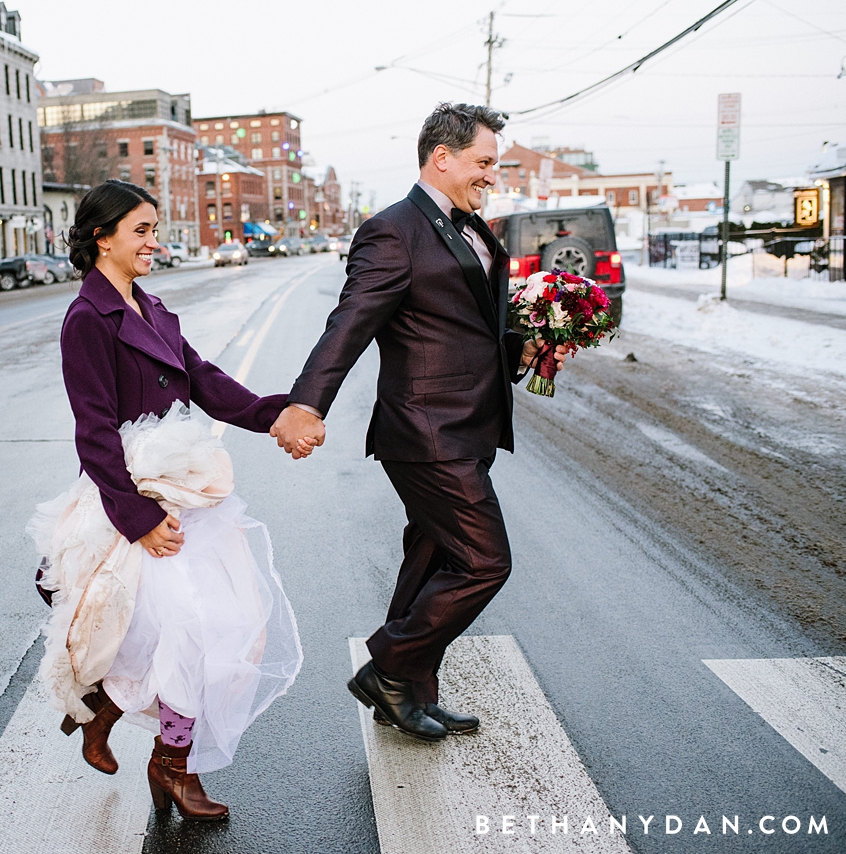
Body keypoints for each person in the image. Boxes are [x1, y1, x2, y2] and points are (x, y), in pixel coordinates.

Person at [270, 103, 571, 741]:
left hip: (469, 427)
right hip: (427, 432)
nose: (493, 174)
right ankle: (387, 665)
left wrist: (533, 345)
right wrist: (306, 402)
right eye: (484, 162)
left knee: (432, 560)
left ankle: (408, 694)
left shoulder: (474, 229)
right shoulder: (393, 231)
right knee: (485, 562)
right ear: (443, 157)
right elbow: (349, 322)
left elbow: (468, 330)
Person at [32, 180, 305, 821]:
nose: (156, 242)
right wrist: (139, 521)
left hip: (187, 496)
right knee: (185, 632)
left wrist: (281, 415)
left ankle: (116, 723)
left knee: (225, 626)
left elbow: (207, 381)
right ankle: (173, 767)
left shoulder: (152, 308)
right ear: (102, 238)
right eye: (142, 231)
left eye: (156, 229)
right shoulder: (86, 321)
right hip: (135, 503)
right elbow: (94, 432)